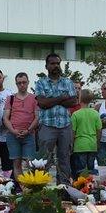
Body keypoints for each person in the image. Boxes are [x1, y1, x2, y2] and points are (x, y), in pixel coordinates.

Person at [34, 53, 77, 183]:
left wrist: (51, 100)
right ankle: (40, 189)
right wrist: (62, 97)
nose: (56, 66)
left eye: (58, 63)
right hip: (47, 125)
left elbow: (73, 102)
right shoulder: (40, 83)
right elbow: (42, 103)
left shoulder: (68, 82)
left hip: (65, 125)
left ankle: (63, 189)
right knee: (44, 159)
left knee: (64, 158)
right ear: (46, 66)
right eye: (52, 63)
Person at [3, 72, 38, 179]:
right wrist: (14, 131)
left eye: (24, 82)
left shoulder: (34, 98)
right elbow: (5, 118)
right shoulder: (11, 98)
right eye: (19, 83)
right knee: (16, 164)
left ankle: (30, 189)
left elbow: (37, 117)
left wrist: (28, 130)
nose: (22, 85)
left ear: (28, 83)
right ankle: (20, 188)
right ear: (16, 84)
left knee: (30, 164)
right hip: (13, 135)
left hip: (29, 135)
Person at [70, 89, 102, 176]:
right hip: (92, 145)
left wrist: (71, 145)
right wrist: (97, 143)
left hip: (79, 146)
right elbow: (99, 130)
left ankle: (80, 187)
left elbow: (72, 132)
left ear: (79, 99)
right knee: (91, 170)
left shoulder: (76, 114)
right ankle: (91, 187)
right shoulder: (95, 114)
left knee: (80, 171)